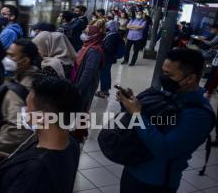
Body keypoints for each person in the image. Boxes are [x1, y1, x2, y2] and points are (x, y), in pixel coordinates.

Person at [117, 49, 215, 193]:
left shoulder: (199, 115)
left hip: (155, 183)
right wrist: (129, 105)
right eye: (163, 72)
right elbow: (143, 124)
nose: (164, 77)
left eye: (169, 75)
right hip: (133, 168)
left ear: (190, 78)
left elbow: (164, 149)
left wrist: (137, 114)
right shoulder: (170, 94)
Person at [0, 76, 81, 193]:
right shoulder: (71, 143)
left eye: (28, 107)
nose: (24, 111)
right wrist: (7, 158)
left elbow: (32, 171)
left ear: (41, 117)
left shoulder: (35, 173)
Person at [0, 39, 40, 153]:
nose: (6, 59)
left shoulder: (17, 92)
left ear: (25, 60)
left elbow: (19, 130)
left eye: (11, 55)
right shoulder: (35, 76)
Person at [73, 25, 104, 113]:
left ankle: (80, 125)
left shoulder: (94, 51)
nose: (83, 35)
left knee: (82, 107)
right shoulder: (87, 46)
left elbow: (88, 72)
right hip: (81, 82)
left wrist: (78, 87)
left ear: (93, 36)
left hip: (86, 85)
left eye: (86, 33)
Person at [96, 21, 122, 98]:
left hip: (107, 58)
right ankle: (106, 90)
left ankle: (103, 91)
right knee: (106, 73)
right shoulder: (114, 34)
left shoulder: (112, 36)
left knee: (104, 74)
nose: (107, 26)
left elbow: (109, 48)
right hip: (109, 58)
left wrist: (100, 46)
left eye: (109, 25)